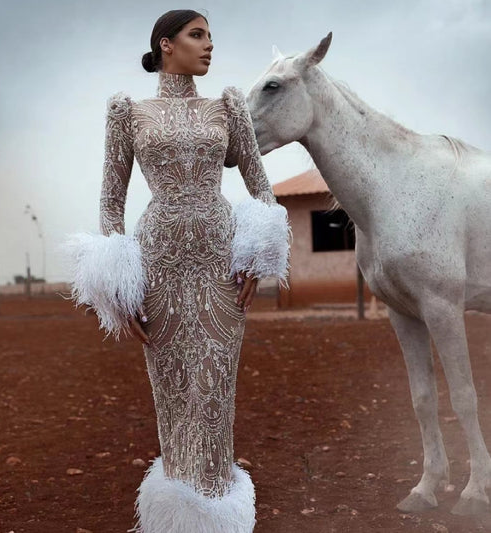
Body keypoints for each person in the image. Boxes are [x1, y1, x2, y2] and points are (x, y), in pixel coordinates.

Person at [63, 9, 291, 533]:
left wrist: (257, 252)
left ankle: (217, 513)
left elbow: (260, 184)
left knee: (213, 394)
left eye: (211, 36)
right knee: (172, 397)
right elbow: (110, 202)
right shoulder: (129, 111)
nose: (209, 45)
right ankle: (178, 521)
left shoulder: (227, 105)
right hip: (159, 265)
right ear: (166, 45)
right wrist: (117, 286)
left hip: (218, 266)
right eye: (197, 35)